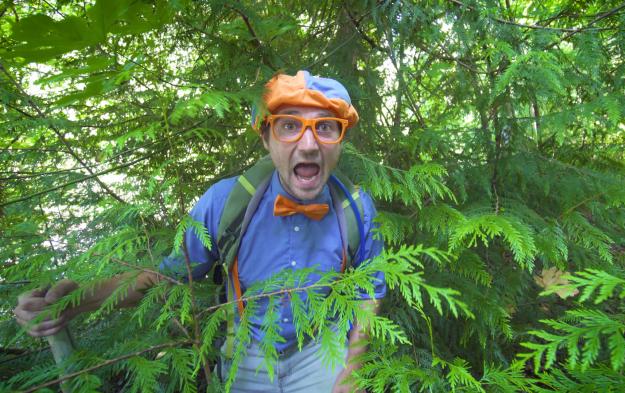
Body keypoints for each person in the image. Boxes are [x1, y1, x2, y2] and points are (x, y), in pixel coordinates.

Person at [14, 71, 386, 392]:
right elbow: (167, 279)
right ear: (265, 138)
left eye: (325, 127)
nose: (308, 144)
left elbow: (369, 290)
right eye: (289, 126)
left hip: (322, 352)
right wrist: (76, 300)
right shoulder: (225, 203)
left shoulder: (356, 208)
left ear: (341, 140)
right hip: (246, 354)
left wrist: (352, 370)